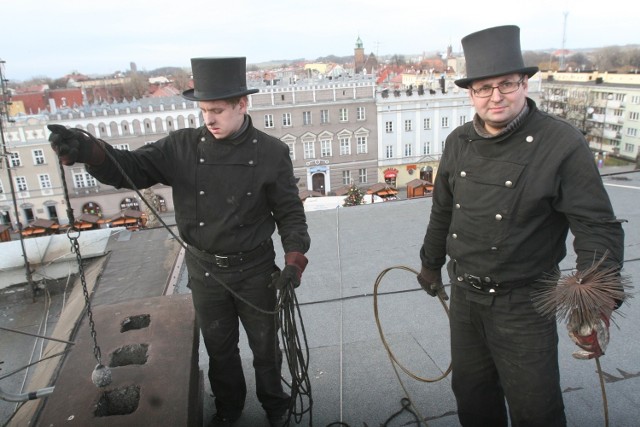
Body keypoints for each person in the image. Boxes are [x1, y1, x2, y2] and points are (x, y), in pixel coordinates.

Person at [48, 57, 311, 427]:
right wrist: (90, 150)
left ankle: (275, 405)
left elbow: (289, 213)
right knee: (220, 351)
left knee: (266, 349)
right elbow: (132, 167)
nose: (209, 119)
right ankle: (230, 408)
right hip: (206, 273)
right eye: (204, 110)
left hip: (255, 271)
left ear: (242, 104)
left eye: (217, 110)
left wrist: (294, 261)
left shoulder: (270, 152)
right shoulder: (181, 148)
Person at [416, 25, 625, 426]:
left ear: (524, 83)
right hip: (465, 297)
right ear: (470, 92)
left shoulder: (561, 144)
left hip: (525, 304)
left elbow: (596, 226)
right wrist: (430, 262)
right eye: (483, 87)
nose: (496, 96)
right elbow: (442, 210)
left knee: (536, 409)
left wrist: (593, 299)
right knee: (473, 399)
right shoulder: (459, 141)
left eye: (506, 84)